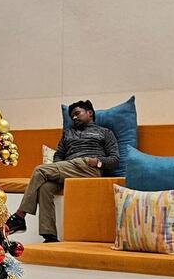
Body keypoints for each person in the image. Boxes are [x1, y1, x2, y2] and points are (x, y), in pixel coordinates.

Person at [7, 101, 120, 242]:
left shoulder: (105, 132)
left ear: (90, 113)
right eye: (72, 116)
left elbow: (115, 159)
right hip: (69, 168)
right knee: (45, 188)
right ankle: (50, 236)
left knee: (40, 170)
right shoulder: (68, 133)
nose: (74, 118)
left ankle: (19, 216)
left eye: (77, 113)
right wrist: (58, 168)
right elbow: (59, 155)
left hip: (88, 168)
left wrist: (97, 161)